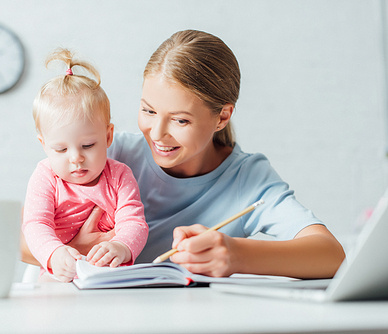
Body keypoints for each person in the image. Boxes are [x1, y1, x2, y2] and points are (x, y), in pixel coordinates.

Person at [21, 30, 345, 279]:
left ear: (222, 117)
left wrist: (235, 255)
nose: (157, 134)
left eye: (180, 120)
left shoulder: (247, 179)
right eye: (148, 111)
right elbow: (21, 239)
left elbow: (331, 255)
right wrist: (77, 251)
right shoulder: (106, 152)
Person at [22, 49, 148, 282]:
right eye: (61, 149)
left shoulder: (119, 176)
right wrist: (54, 254)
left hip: (109, 274)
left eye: (88, 145)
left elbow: (134, 222)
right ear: (44, 145)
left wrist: (122, 246)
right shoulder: (46, 176)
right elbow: (35, 224)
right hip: (60, 274)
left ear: (108, 136)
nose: (76, 158)